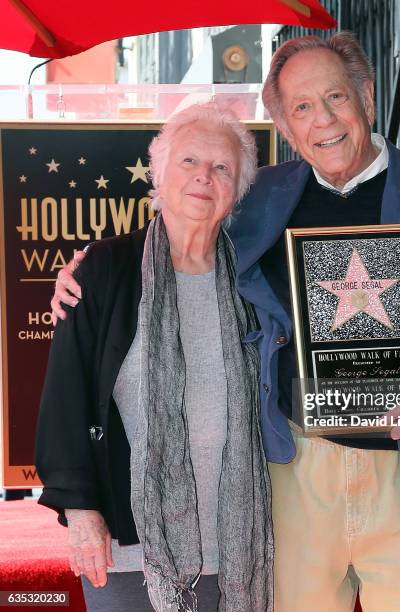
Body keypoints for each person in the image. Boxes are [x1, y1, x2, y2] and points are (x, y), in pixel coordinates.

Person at [51, 33, 400, 612]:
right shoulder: (261, 201)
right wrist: (85, 273)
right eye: (301, 108)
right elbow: (184, 226)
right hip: (295, 471)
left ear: (367, 98)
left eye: (336, 98)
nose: (322, 120)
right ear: (285, 125)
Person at [36, 103, 273, 612]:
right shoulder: (104, 269)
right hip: (128, 543)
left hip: (238, 546)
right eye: (189, 161)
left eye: (222, 167)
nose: (203, 178)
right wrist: (79, 511)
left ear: (238, 190)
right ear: (158, 173)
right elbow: (66, 397)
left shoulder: (257, 278)